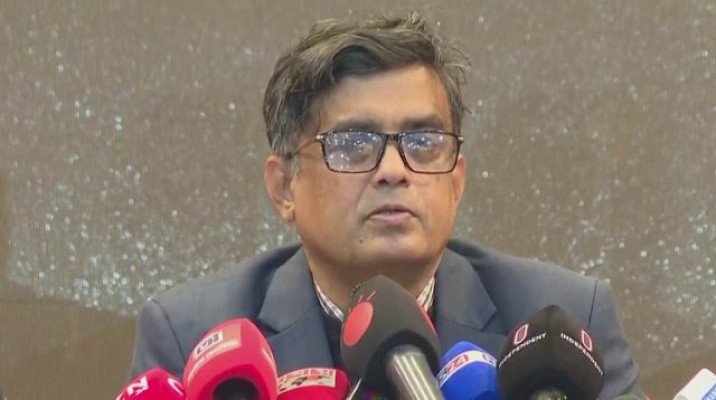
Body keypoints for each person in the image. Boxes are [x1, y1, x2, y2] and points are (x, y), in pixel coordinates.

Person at [130, 14, 644, 398]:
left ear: (456, 182)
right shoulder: (194, 338)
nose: (394, 170)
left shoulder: (563, 325)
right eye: (354, 144)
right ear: (284, 187)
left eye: (424, 142)